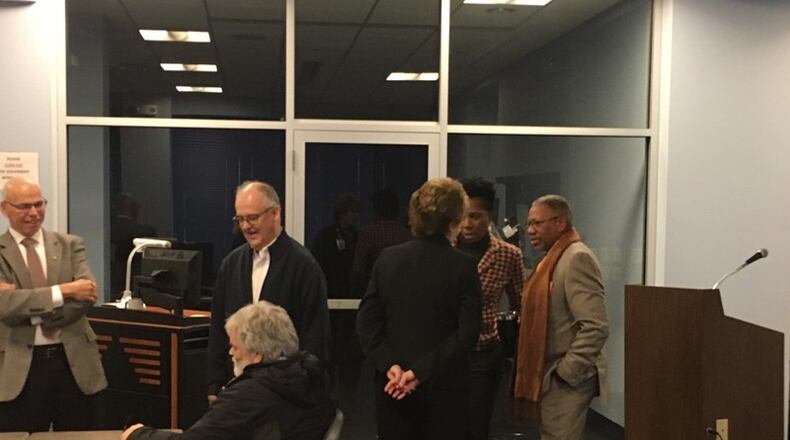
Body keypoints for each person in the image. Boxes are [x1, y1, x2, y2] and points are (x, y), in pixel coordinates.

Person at [356, 177, 482, 440]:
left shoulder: (388, 259)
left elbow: (367, 324)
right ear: (456, 219)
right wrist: (418, 373)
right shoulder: (464, 266)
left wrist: (391, 365)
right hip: (446, 392)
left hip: (393, 387)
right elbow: (467, 335)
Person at [121, 300, 336, 440]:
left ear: (256, 354)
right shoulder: (311, 377)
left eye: (235, 346)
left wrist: (138, 434)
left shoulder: (253, 394)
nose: (230, 353)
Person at [0, 177, 107, 432]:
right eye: (24, 206)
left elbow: (88, 295)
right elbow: (4, 306)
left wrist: (27, 307)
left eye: (39, 204)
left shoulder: (70, 245)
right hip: (19, 368)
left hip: (73, 363)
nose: (34, 213)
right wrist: (65, 290)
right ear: (4, 209)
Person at [208, 181, 330, 401]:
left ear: (275, 213)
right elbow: (218, 329)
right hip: (235, 389)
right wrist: (214, 386)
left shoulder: (304, 266)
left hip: (284, 393)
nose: (246, 226)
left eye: (252, 218)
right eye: (240, 219)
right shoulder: (231, 264)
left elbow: (315, 336)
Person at [514, 195, 609, 440]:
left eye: (537, 223)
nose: (530, 231)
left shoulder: (577, 257)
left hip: (565, 378)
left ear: (560, 222)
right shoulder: (552, 258)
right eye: (529, 224)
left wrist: (565, 373)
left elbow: (595, 326)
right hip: (549, 373)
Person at [457, 178, 524, 440]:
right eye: (462, 216)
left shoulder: (508, 254)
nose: (467, 224)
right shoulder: (444, 248)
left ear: (490, 216)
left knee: (477, 425)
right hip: (443, 351)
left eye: (475, 216)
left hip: (483, 350)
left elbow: (522, 301)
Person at [349, 189, 411, 297]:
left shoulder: (368, 235)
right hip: (403, 296)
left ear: (376, 210)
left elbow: (358, 272)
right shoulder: (407, 236)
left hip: (375, 296)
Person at [310, 194, 360, 298]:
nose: (356, 216)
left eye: (358, 212)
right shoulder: (327, 235)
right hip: (331, 290)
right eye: (353, 212)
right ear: (342, 213)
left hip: (353, 292)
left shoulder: (358, 236)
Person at [110, 192, 157, 296]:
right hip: (135, 276)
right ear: (134, 210)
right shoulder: (145, 231)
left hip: (112, 278)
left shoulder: (108, 229)